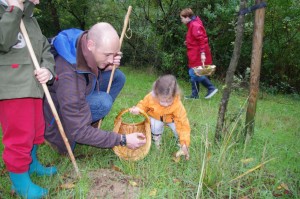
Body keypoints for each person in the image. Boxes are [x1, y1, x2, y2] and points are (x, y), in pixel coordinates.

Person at [43, 22, 146, 155]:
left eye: (114, 55)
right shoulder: (69, 75)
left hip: (77, 94)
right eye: (107, 54)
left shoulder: (83, 43)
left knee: (117, 76)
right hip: (59, 126)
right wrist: (123, 139)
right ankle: (87, 132)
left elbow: (87, 73)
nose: (111, 60)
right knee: (103, 102)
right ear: (91, 45)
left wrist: (103, 66)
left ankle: (92, 128)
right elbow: (78, 130)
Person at [0, 0, 57, 198]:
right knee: (19, 135)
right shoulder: (6, 11)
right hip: (12, 88)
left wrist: (47, 70)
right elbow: (2, 41)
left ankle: (31, 164)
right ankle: (20, 182)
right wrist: (14, 10)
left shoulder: (31, 18)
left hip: (33, 87)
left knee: (34, 130)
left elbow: (45, 49)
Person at [129, 75, 190, 160]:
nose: (165, 104)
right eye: (162, 101)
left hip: (171, 119)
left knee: (177, 129)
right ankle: (157, 141)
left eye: (169, 101)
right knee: (155, 125)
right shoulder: (151, 97)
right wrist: (138, 109)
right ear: (156, 94)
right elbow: (143, 105)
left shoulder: (177, 104)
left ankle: (182, 146)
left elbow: (183, 124)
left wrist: (185, 142)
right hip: (156, 117)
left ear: (175, 95)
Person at [180, 8, 218, 99]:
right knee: (193, 72)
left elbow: (202, 40)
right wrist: (188, 42)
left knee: (194, 73)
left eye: (182, 18)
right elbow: (195, 39)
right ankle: (194, 95)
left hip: (198, 54)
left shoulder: (195, 25)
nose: (181, 20)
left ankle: (211, 88)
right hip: (193, 53)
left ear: (187, 17)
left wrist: (202, 53)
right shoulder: (191, 25)